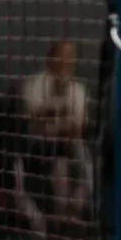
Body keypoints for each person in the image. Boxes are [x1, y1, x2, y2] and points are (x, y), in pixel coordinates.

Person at [21, 38, 94, 221]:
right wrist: (58, 109)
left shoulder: (79, 89)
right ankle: (60, 216)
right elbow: (33, 119)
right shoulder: (34, 84)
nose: (68, 61)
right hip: (40, 146)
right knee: (60, 167)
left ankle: (74, 211)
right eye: (64, 55)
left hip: (69, 144)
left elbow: (80, 126)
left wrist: (56, 117)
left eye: (72, 56)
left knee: (85, 162)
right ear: (51, 58)